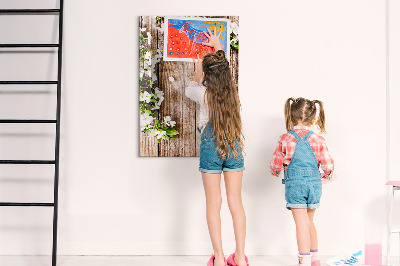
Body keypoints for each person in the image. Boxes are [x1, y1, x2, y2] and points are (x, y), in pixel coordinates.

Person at [185, 29, 248, 266]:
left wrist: (199, 70)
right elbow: (225, 69)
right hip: (233, 147)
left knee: (214, 203)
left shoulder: (202, 94)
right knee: (236, 202)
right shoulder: (233, 94)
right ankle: (240, 257)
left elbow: (188, 87)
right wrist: (219, 47)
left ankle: (220, 258)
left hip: (211, 149)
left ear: (207, 76)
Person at [270, 98, 335, 266]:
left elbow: (275, 164)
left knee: (301, 224)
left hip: (295, 186)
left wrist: (275, 171)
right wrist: (327, 176)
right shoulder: (318, 139)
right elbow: (328, 165)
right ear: (313, 120)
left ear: (291, 117)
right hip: (314, 185)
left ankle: (304, 261)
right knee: (309, 222)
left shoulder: (285, 138)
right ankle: (315, 260)